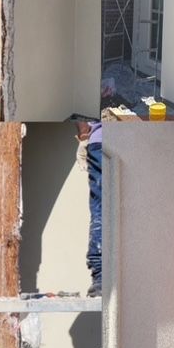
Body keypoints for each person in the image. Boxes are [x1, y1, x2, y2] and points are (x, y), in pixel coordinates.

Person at [76, 120, 103, 296]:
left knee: (100, 207)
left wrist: (84, 137)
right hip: (124, 140)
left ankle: (101, 278)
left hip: (98, 142)